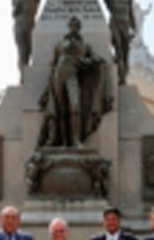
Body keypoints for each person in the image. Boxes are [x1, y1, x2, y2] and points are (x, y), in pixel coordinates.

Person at [38, 15, 111, 147]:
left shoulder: (85, 46)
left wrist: (86, 61)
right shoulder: (60, 44)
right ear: (68, 26)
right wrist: (48, 88)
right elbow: (53, 64)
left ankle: (76, 140)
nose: (73, 27)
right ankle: (64, 141)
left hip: (73, 76)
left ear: (79, 28)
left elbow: (98, 60)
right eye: (71, 25)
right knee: (60, 110)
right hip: (58, 76)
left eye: (76, 25)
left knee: (75, 106)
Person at [75, 0, 137, 85]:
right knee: (119, 52)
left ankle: (123, 75)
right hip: (114, 25)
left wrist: (134, 29)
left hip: (125, 27)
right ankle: (121, 77)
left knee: (125, 55)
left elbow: (131, 15)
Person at [12, 0, 67, 82]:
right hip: (19, 24)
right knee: (22, 52)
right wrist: (17, 7)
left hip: (31, 23)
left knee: (33, 51)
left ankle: (28, 75)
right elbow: (14, 14)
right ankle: (23, 77)